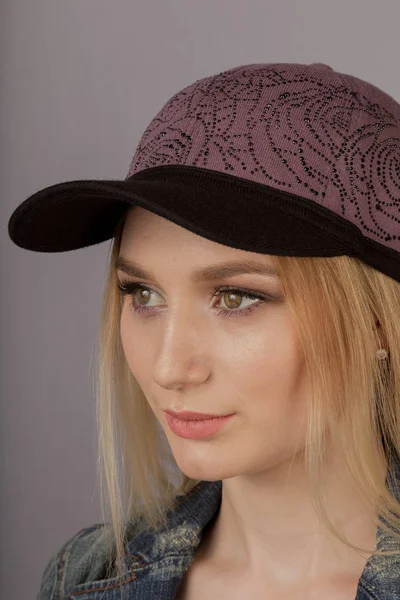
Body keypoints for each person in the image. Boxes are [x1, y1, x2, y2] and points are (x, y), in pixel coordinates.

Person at [8, 61, 400, 600]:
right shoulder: (85, 575)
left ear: (377, 322)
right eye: (142, 295)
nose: (169, 367)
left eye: (236, 298)